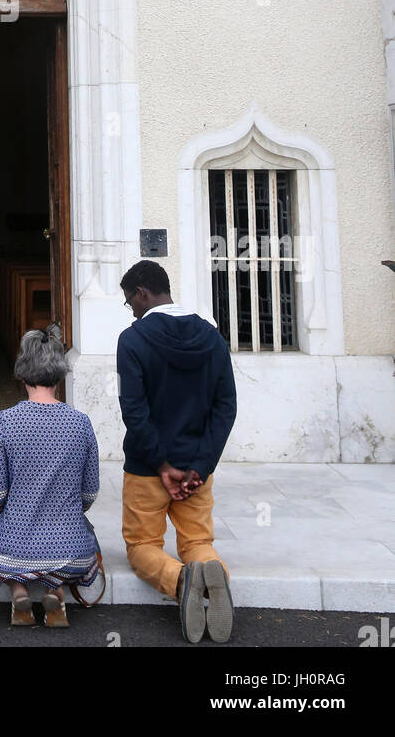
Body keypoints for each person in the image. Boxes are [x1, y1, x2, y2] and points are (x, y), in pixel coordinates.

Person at [116, 260, 237, 643]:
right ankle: (211, 573)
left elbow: (134, 410)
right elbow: (225, 406)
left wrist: (161, 464)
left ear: (141, 292)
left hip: (147, 470)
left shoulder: (132, 340)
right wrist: (200, 465)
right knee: (199, 543)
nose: (130, 309)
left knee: (142, 546)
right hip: (196, 470)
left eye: (128, 301)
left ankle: (182, 581)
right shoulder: (212, 337)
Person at [0, 325, 101, 628]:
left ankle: (19, 593)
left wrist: (0, 515)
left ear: (21, 372)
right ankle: (55, 593)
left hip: (13, 550)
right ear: (60, 375)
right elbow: (89, 493)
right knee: (71, 545)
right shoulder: (80, 423)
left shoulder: (5, 421)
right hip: (73, 552)